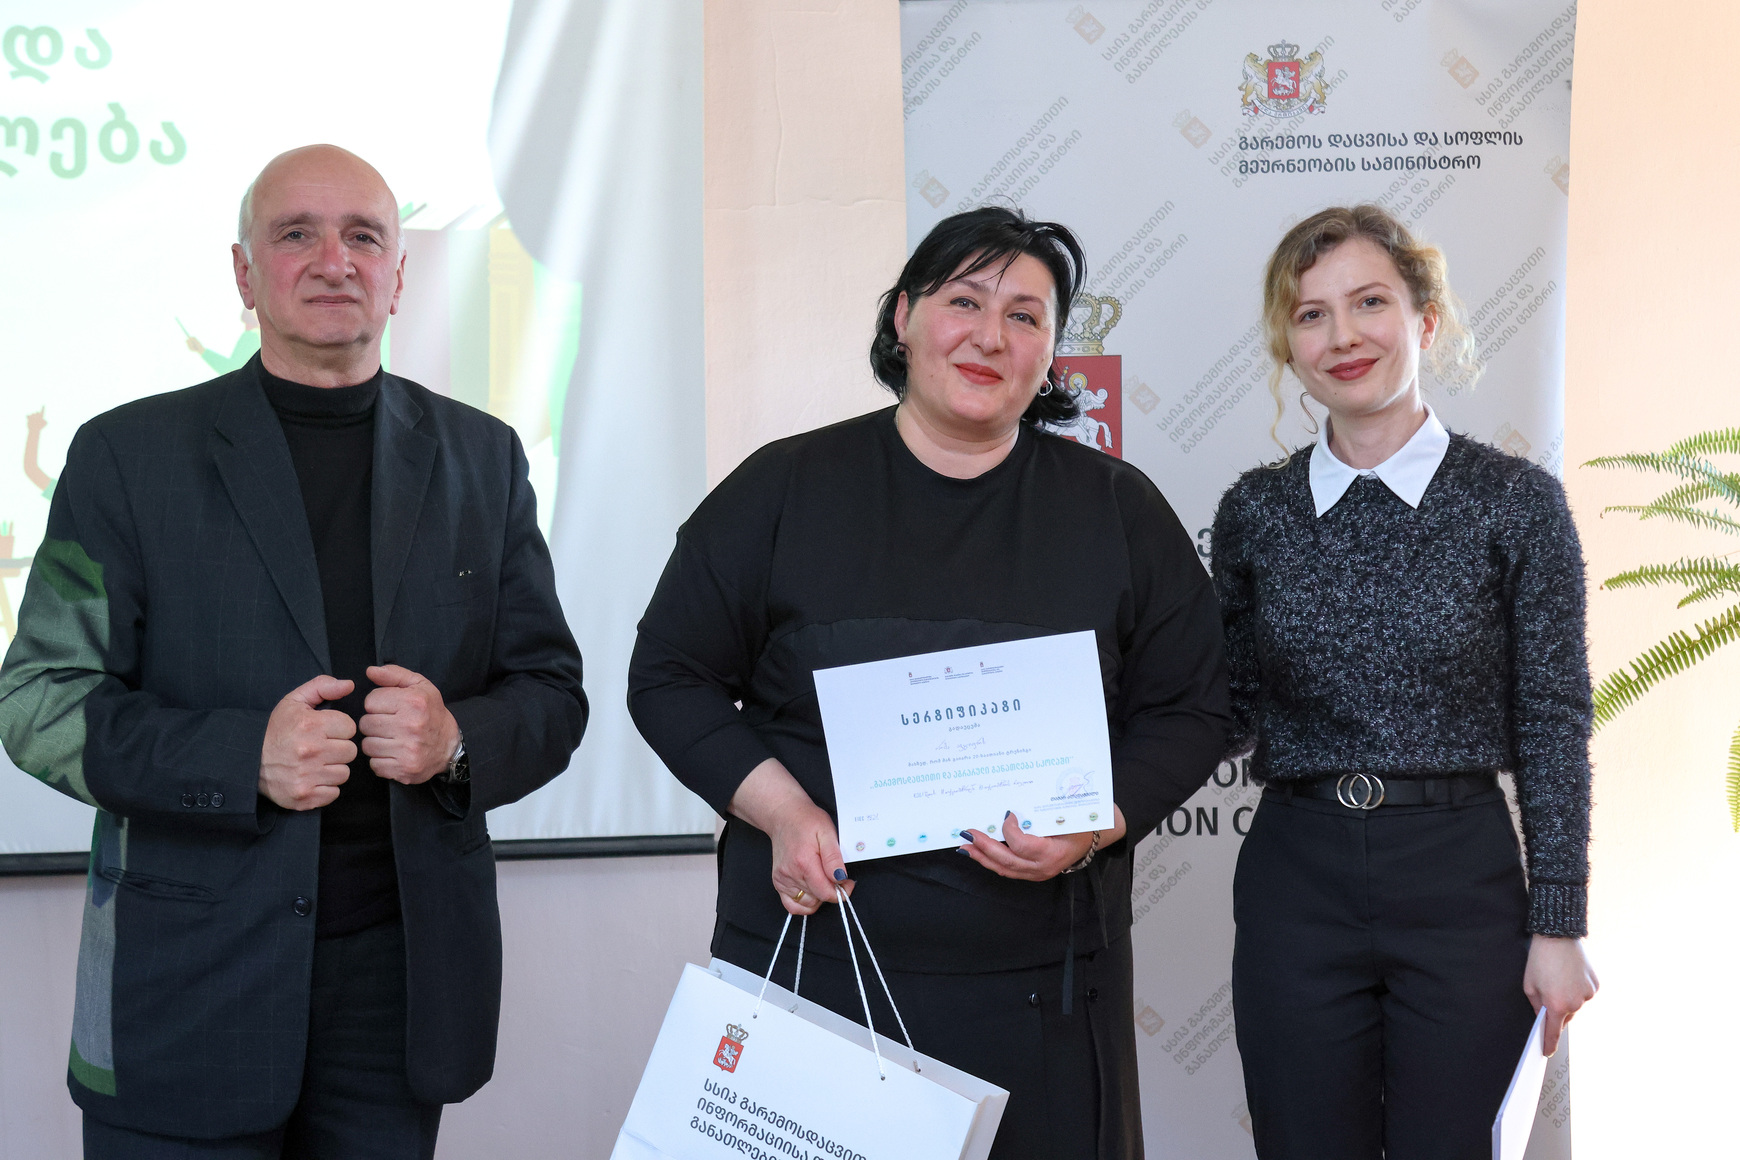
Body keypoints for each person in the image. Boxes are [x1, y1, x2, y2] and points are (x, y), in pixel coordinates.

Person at [0, 145, 588, 1159]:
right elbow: (38, 699)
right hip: (181, 984)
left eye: (363, 236)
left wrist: (456, 739)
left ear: (398, 275)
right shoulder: (126, 456)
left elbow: (551, 691)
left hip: (397, 997)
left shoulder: (483, 458)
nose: (333, 260)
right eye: (296, 234)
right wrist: (244, 759)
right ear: (244, 273)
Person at [628, 206, 1230, 1160]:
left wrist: (1098, 822)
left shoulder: (1116, 510)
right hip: (816, 970)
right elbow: (670, 674)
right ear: (904, 317)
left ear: (1051, 354)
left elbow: (1194, 705)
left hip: (1044, 993)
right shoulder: (783, 489)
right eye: (964, 302)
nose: (991, 336)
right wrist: (783, 812)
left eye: (1025, 316)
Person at [1210, 204, 1598, 1160]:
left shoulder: (1515, 502)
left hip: (1460, 877)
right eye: (1311, 315)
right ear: (1289, 345)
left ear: (1425, 319)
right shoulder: (1256, 510)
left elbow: (1553, 719)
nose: (1342, 336)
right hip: (1297, 879)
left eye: (1369, 303)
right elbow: (1220, 708)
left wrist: (1559, 923)